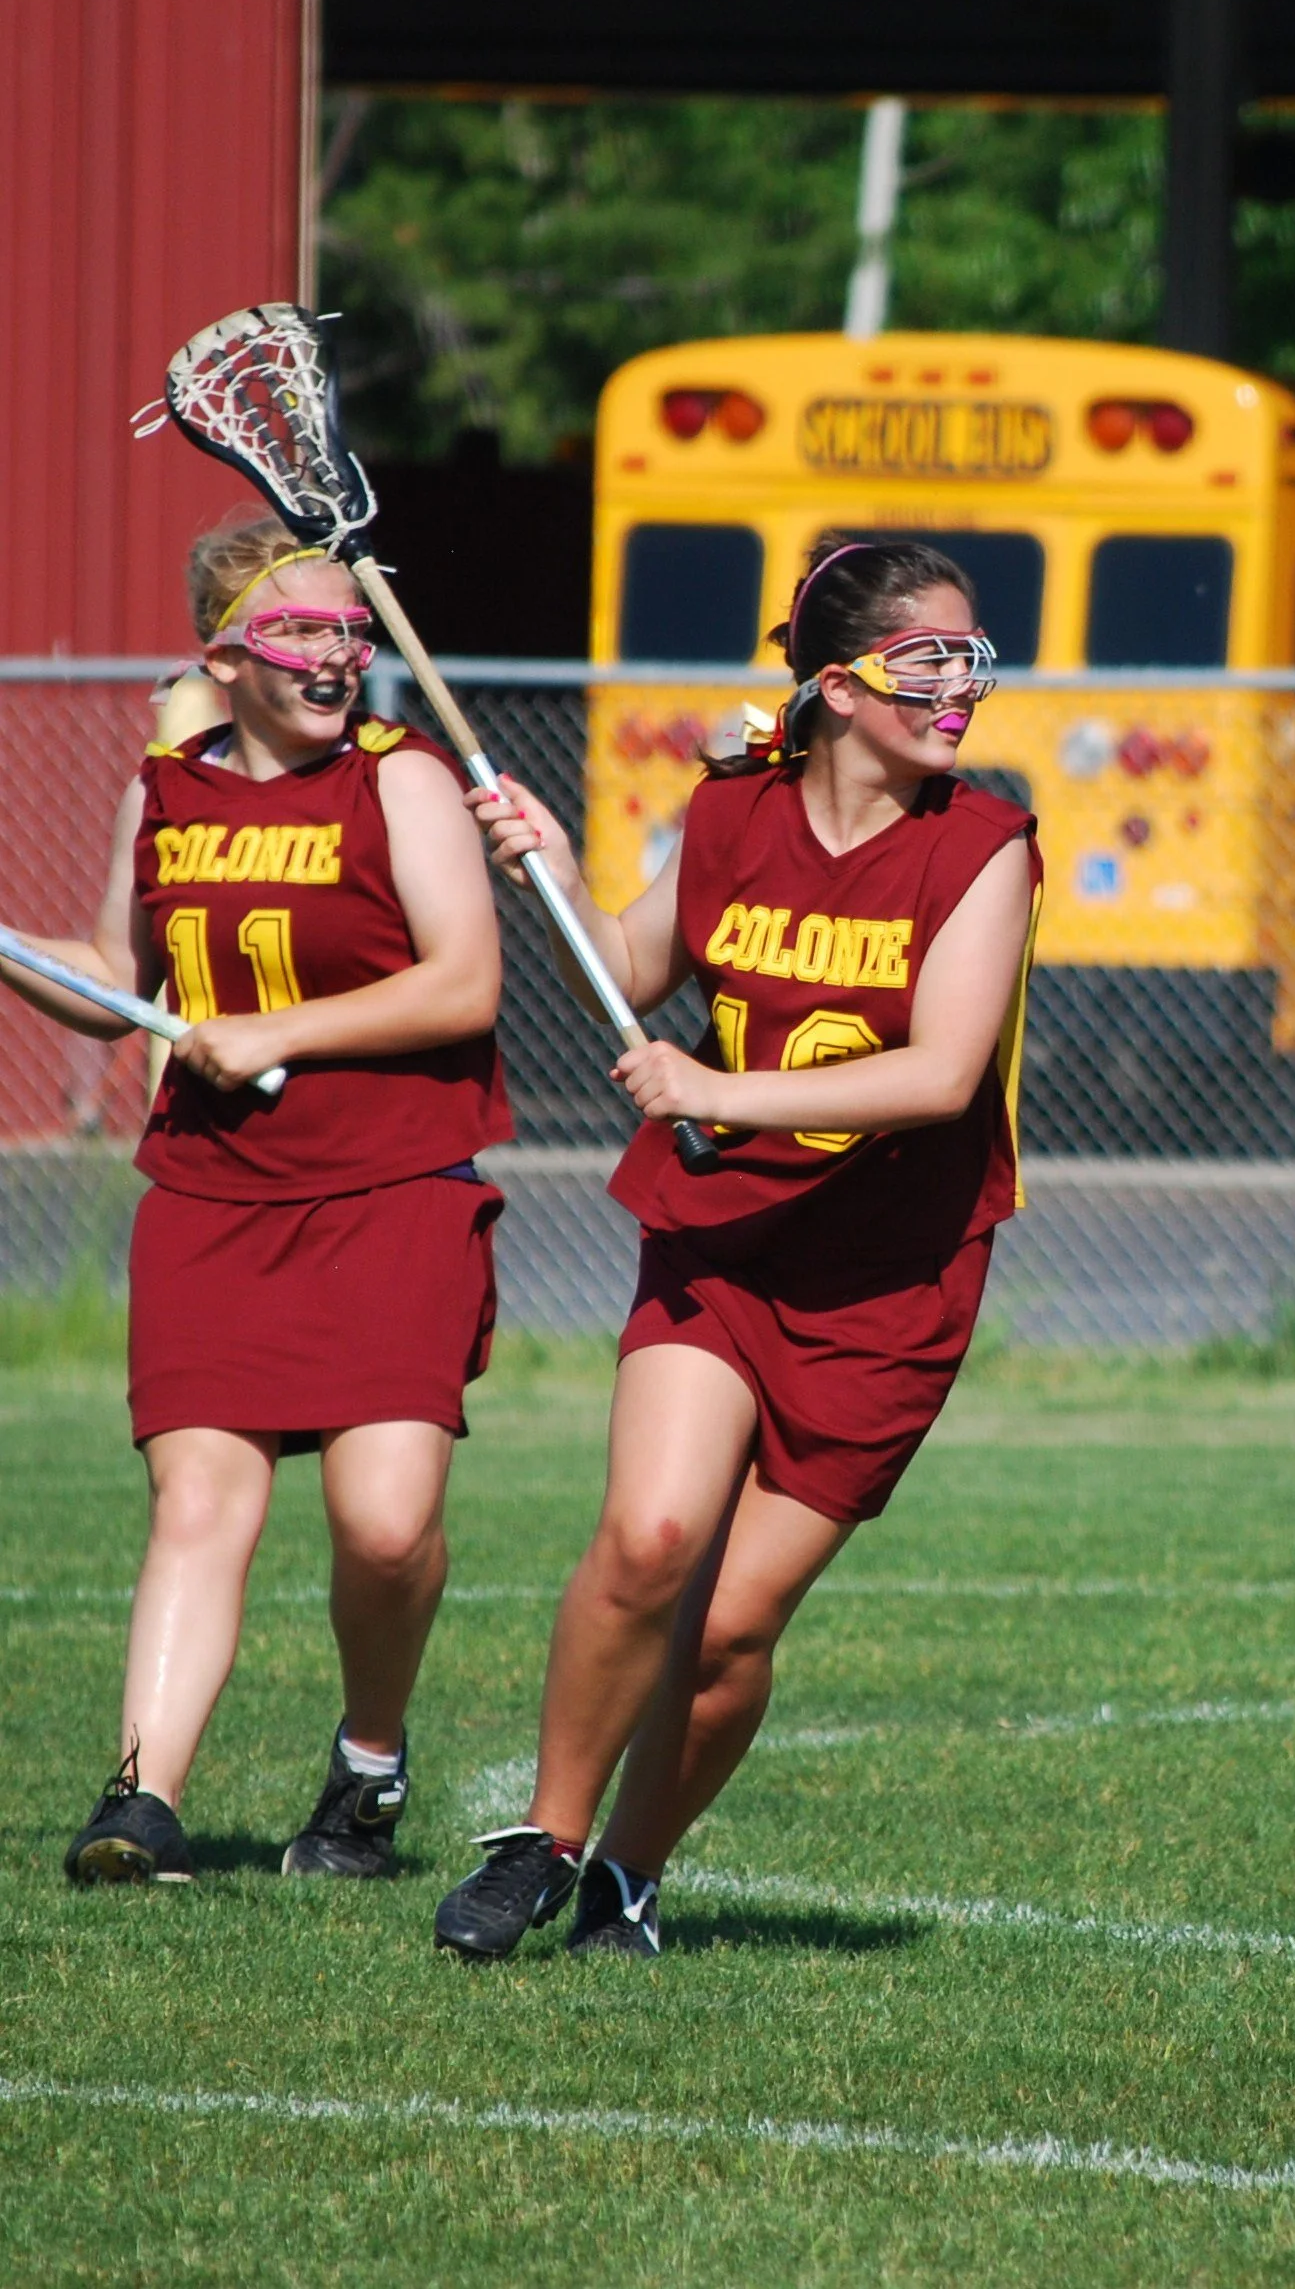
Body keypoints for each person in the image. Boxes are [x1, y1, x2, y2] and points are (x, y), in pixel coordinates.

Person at [433, 534, 1039, 1962]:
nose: (959, 687)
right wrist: (555, 873)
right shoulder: (725, 815)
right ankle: (542, 1837)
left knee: (724, 1629)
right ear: (838, 684)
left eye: (972, 658)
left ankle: (626, 1880)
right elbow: (628, 973)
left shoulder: (984, 846)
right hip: (722, 1235)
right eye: (926, 660)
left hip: (891, 1279)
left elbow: (941, 1073)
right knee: (649, 1540)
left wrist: (718, 1090)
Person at [0, 515, 511, 1886]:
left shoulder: (402, 783)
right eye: (301, 632)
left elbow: (466, 982)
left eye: (350, 630)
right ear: (222, 655)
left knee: (386, 1522)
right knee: (197, 1506)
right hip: (214, 1196)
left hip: (394, 1184)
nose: (336, 656)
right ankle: (138, 1798)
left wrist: (285, 1034)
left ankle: (368, 1763)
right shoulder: (163, 792)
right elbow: (119, 983)